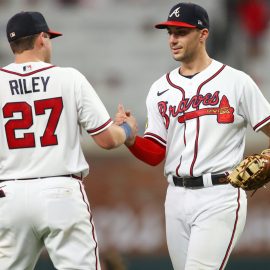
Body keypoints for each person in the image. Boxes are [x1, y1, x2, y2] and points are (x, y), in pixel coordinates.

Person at [115, 2, 270, 269]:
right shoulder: (160, 88)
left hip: (220, 194)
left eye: (181, 32)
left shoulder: (236, 82)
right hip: (175, 197)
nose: (173, 39)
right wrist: (131, 140)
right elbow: (155, 152)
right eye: (170, 32)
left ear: (203, 34)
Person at [0, 11, 137, 270]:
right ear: (42, 38)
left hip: (10, 194)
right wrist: (127, 130)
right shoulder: (68, 77)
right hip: (60, 191)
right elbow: (107, 140)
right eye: (49, 38)